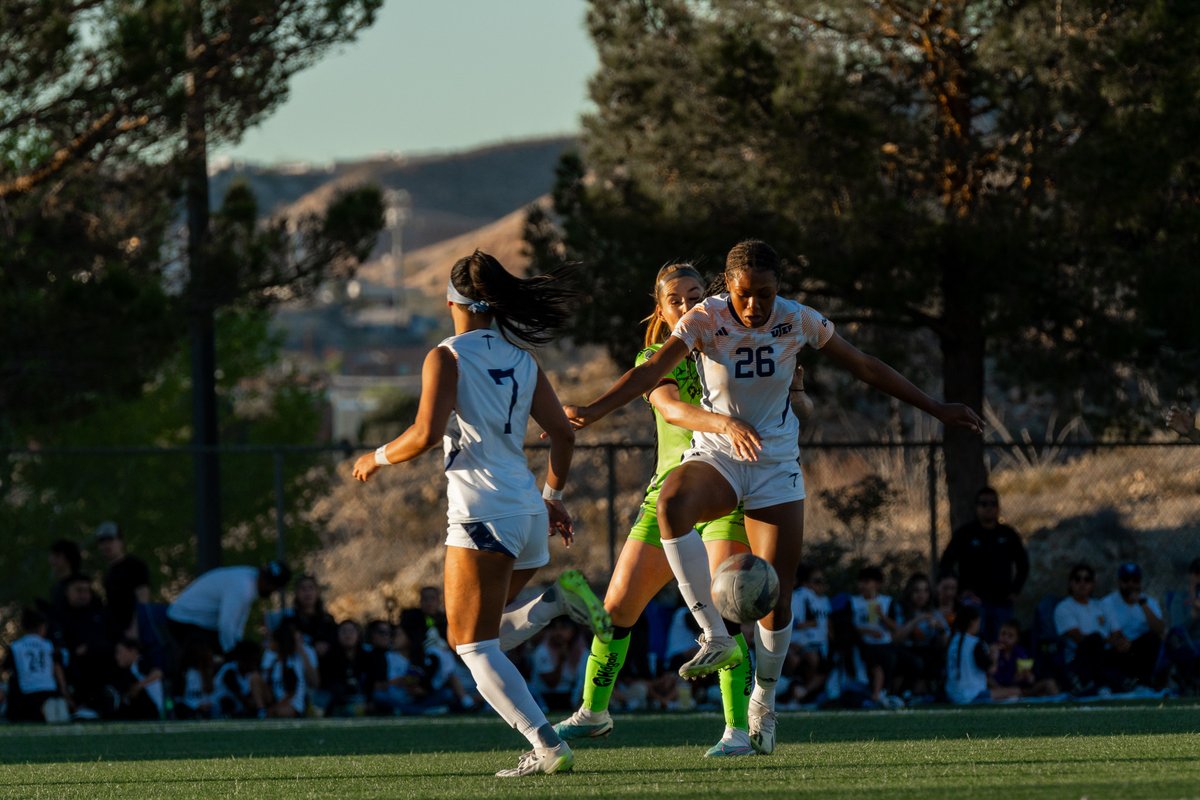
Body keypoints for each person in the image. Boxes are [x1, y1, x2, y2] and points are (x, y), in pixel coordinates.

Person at [564, 239, 983, 753]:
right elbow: (652, 373)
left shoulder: (799, 320)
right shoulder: (704, 319)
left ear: (778, 289)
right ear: (728, 287)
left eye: (765, 294)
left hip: (774, 467)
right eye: (745, 295)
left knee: (775, 601)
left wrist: (937, 408)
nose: (755, 306)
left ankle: (763, 697)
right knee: (673, 503)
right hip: (717, 458)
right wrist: (593, 409)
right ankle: (713, 635)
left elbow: (866, 366)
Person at [352, 250, 607, 777]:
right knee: (485, 633)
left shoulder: (445, 356)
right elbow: (562, 433)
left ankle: (546, 746)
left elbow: (423, 435)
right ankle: (554, 603)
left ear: (451, 301)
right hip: (529, 515)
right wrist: (552, 495)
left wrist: (374, 458)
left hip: (482, 512)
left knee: (469, 644)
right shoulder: (523, 359)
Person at [555, 262, 806, 757]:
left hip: (726, 495)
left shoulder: (735, 342)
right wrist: (721, 423)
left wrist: (796, 391)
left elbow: (795, 411)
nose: (689, 304)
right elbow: (670, 408)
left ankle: (738, 729)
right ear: (662, 310)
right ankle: (594, 713)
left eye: (696, 295)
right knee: (614, 610)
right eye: (677, 299)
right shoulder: (658, 355)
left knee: (730, 610)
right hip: (668, 494)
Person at [938, 486, 1029, 642]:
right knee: (974, 640)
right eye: (984, 504)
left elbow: (1023, 564)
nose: (988, 508)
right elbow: (946, 563)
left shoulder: (1008, 534)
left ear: (998, 507)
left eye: (993, 504)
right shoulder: (965, 534)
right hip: (973, 600)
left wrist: (1015, 590)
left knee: (1001, 642)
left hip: (1002, 601)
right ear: (976, 507)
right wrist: (959, 590)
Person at [166, 560, 293, 658]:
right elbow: (226, 624)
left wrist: (237, 645)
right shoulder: (242, 586)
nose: (265, 585)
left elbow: (238, 621)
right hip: (183, 621)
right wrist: (232, 655)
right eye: (266, 580)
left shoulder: (250, 580)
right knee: (209, 653)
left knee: (240, 649)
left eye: (270, 583)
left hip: (197, 621)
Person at [1053, 563, 1115, 695]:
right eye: (1077, 579)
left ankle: (1142, 684)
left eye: (1087, 579)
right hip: (1078, 655)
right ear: (1071, 583)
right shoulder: (1064, 607)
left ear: (1092, 584)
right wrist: (1106, 641)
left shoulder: (1100, 605)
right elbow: (1077, 637)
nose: (1082, 583)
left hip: (1104, 650)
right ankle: (1102, 685)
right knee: (1095, 640)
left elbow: (1113, 631)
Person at [1100, 562, 1165, 688]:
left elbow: (1159, 629)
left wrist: (1143, 604)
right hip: (1118, 650)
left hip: (1140, 651)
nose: (1130, 584)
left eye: (1135, 580)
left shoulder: (1149, 602)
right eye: (1126, 580)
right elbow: (1107, 631)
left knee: (1152, 639)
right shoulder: (1107, 602)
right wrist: (1119, 642)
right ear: (1119, 582)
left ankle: (1144, 681)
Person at [2, 608, 73, 723]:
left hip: (26, 694)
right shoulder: (48, 645)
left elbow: (5, 668)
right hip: (49, 691)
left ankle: (41, 712)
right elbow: (57, 668)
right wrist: (64, 691)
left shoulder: (16, 646)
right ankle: (51, 709)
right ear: (41, 627)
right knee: (49, 704)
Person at [850, 566, 902, 707]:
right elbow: (849, 627)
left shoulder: (887, 601)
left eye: (867, 581)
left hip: (884, 643)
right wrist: (867, 632)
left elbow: (895, 627)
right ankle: (877, 694)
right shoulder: (853, 602)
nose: (862, 585)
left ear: (877, 584)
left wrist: (882, 616)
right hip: (865, 644)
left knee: (894, 658)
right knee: (876, 662)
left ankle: (887, 693)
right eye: (860, 582)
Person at [893, 572, 949, 697]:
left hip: (927, 651)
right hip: (905, 650)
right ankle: (903, 694)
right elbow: (896, 639)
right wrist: (917, 620)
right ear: (909, 592)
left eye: (925, 591)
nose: (921, 595)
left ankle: (931, 692)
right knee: (915, 662)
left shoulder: (934, 613)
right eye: (917, 591)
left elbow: (946, 643)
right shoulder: (900, 609)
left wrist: (941, 630)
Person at [94, 521, 151, 640]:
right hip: (116, 634)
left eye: (110, 540)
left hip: (133, 633)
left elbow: (143, 599)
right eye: (102, 541)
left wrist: (135, 628)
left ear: (120, 541)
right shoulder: (108, 573)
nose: (106, 545)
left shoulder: (135, 565)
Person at [273, 574, 338, 661]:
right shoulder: (289, 620)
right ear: (297, 593)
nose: (307, 593)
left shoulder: (327, 620)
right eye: (303, 589)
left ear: (317, 593)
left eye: (311, 588)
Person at [944, 606, 1001, 704]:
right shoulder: (975, 643)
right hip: (972, 694)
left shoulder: (952, 640)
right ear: (973, 622)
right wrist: (994, 655)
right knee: (1016, 691)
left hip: (951, 692)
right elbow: (991, 669)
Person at [990, 619, 1058, 698]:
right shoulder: (993, 650)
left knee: (1049, 683)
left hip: (1019, 689)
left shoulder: (1021, 653)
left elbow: (1029, 680)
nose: (1005, 638)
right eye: (1003, 634)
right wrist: (994, 658)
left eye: (1010, 636)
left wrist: (1027, 677)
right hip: (999, 689)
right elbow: (990, 675)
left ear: (1017, 639)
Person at [1164, 557, 1200, 693]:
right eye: (1196, 573)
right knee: (1175, 639)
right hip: (1187, 646)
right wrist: (1193, 614)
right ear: (1191, 576)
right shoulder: (1180, 599)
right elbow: (1177, 630)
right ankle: (1188, 681)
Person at [106, 638, 164, 721]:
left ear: (132, 651)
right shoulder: (131, 669)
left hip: (156, 711)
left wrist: (138, 686)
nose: (117, 657)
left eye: (119, 652)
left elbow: (158, 673)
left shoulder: (140, 663)